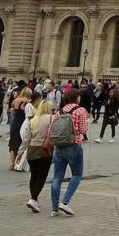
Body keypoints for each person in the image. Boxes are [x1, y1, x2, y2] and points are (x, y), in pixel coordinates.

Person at [48, 88, 88, 216]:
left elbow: (51, 130)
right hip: (73, 145)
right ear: (76, 98)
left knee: (57, 177)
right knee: (77, 174)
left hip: (59, 146)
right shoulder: (80, 110)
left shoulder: (59, 111)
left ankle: (54, 208)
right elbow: (83, 130)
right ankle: (65, 202)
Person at [19, 98, 52, 213]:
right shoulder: (51, 119)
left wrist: (20, 153)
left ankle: (34, 198)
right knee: (42, 176)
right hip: (44, 149)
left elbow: (26, 139)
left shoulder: (33, 120)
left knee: (34, 175)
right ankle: (33, 199)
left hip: (31, 150)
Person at [9, 87, 32, 170]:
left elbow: (12, 111)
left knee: (13, 143)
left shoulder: (16, 100)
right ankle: (19, 163)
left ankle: (11, 164)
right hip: (24, 123)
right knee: (22, 143)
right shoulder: (28, 101)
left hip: (15, 122)